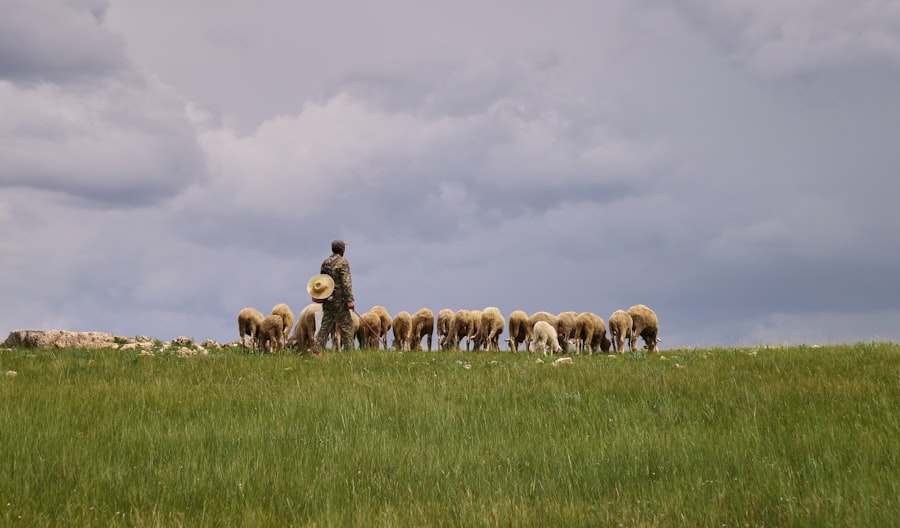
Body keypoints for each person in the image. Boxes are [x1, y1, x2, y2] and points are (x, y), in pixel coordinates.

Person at [312, 240, 355, 355]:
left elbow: (320, 281)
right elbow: (346, 282)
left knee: (325, 326)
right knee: (347, 327)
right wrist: (349, 300)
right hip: (340, 301)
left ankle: (316, 351)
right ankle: (349, 354)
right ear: (342, 250)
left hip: (327, 300)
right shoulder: (343, 262)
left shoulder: (325, 262)